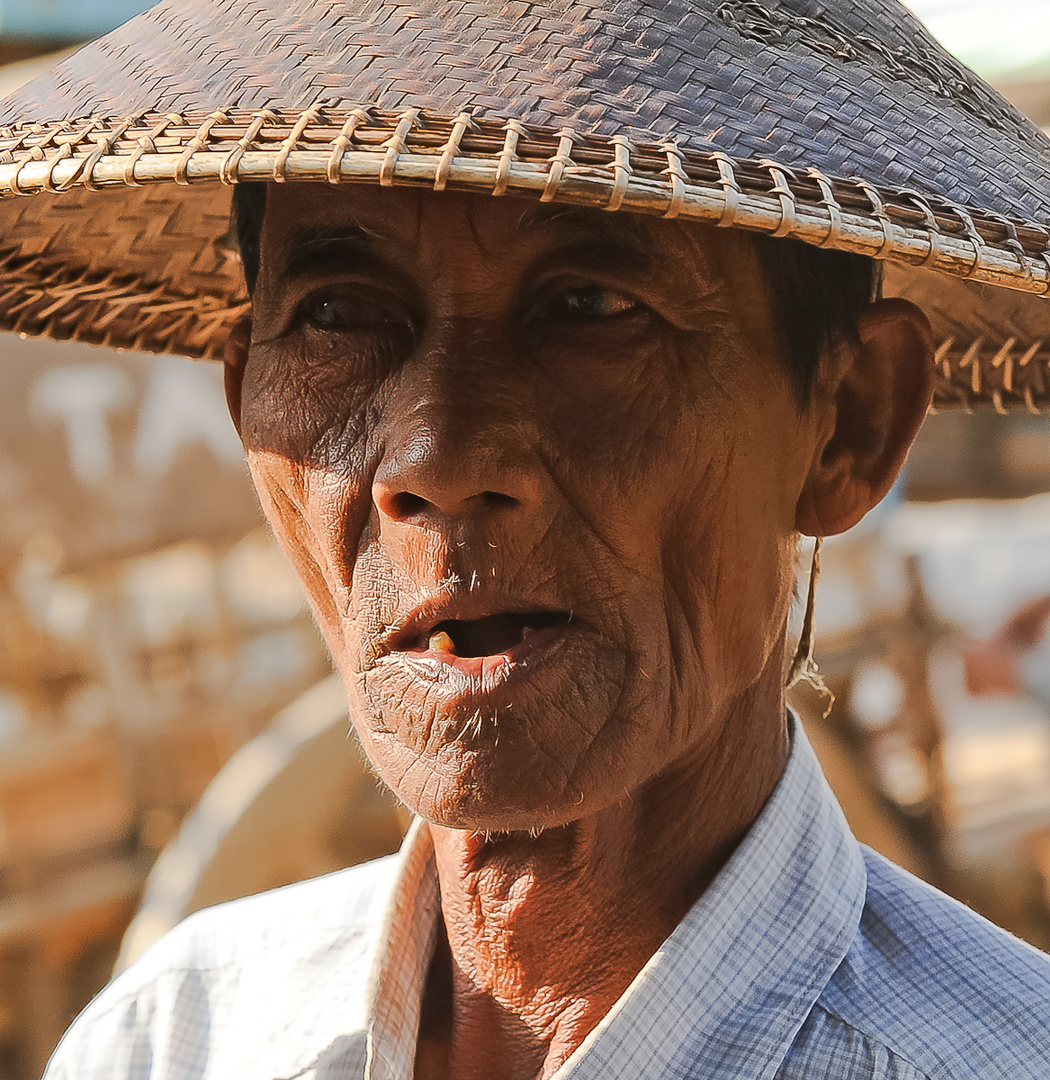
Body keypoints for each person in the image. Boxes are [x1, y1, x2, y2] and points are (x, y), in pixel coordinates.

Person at [1, 1, 1048, 1076]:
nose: (436, 462)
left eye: (590, 305)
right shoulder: (172, 1042)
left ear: (848, 425)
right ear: (244, 400)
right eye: (337, 314)